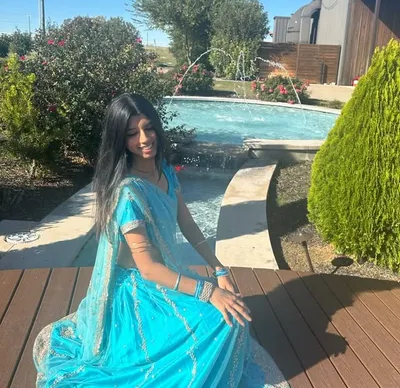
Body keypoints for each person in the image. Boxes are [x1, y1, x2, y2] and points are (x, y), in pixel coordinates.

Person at [33, 93, 289, 387]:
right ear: (120, 140)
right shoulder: (129, 194)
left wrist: (219, 270)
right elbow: (148, 269)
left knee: (233, 315)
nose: (144, 139)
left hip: (167, 276)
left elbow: (187, 223)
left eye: (148, 128)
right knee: (224, 320)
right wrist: (209, 292)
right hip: (138, 292)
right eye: (132, 134)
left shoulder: (163, 170)